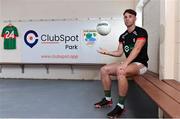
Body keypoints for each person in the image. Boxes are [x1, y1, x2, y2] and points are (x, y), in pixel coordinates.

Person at [94, 9, 149, 118]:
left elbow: (137, 49)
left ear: (135, 18)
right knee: (104, 70)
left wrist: (125, 64)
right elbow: (119, 52)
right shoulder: (123, 36)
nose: (127, 19)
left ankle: (120, 106)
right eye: (125, 17)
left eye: (130, 16)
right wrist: (107, 52)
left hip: (141, 65)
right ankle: (108, 99)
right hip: (129, 64)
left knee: (121, 70)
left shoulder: (141, 32)